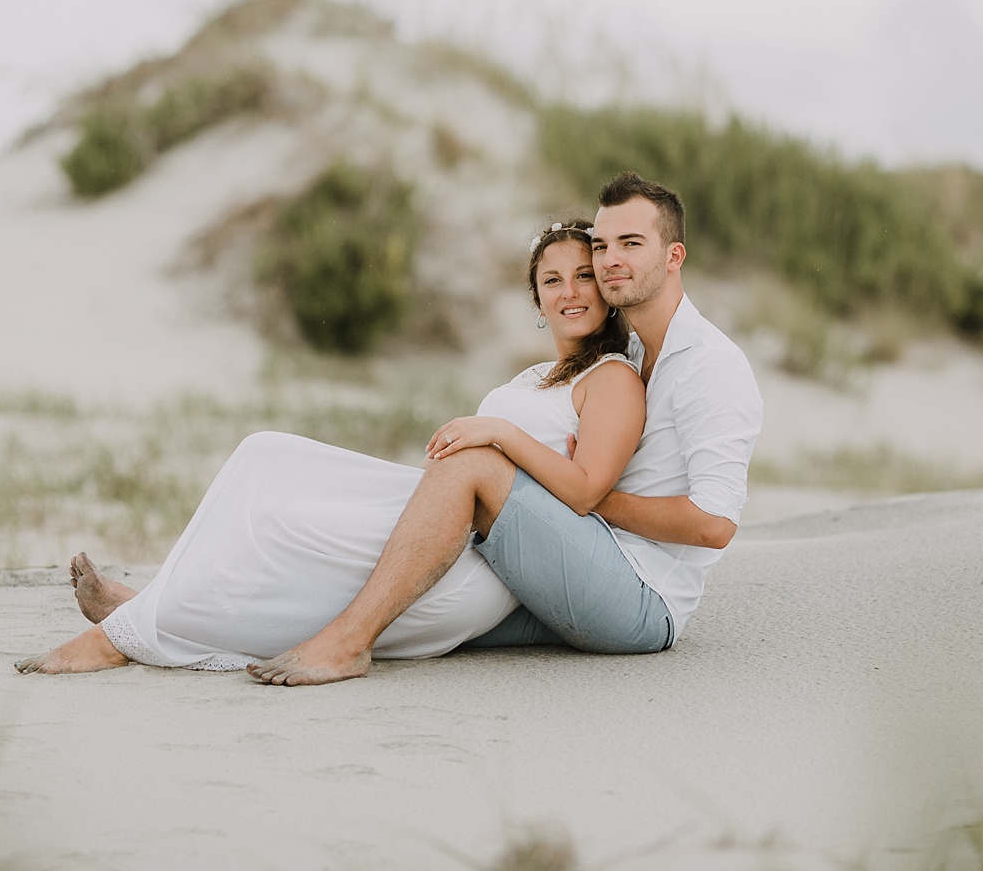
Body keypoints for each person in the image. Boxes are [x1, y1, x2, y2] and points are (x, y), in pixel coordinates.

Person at [15, 218, 648, 674]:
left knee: (287, 533)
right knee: (265, 457)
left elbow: (586, 492)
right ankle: (155, 600)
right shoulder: (531, 380)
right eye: (552, 279)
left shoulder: (611, 378)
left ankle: (129, 633)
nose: (569, 291)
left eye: (584, 277)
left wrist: (500, 434)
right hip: (449, 525)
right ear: (536, 298)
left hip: (488, 566)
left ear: (606, 288)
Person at [246, 171, 762, 685]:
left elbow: (714, 524)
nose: (609, 261)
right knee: (420, 603)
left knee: (475, 465)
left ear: (674, 256)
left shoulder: (710, 365)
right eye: (601, 245)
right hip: (581, 549)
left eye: (631, 243)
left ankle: (346, 645)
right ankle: (247, 621)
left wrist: (588, 494)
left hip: (643, 596)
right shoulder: (627, 355)